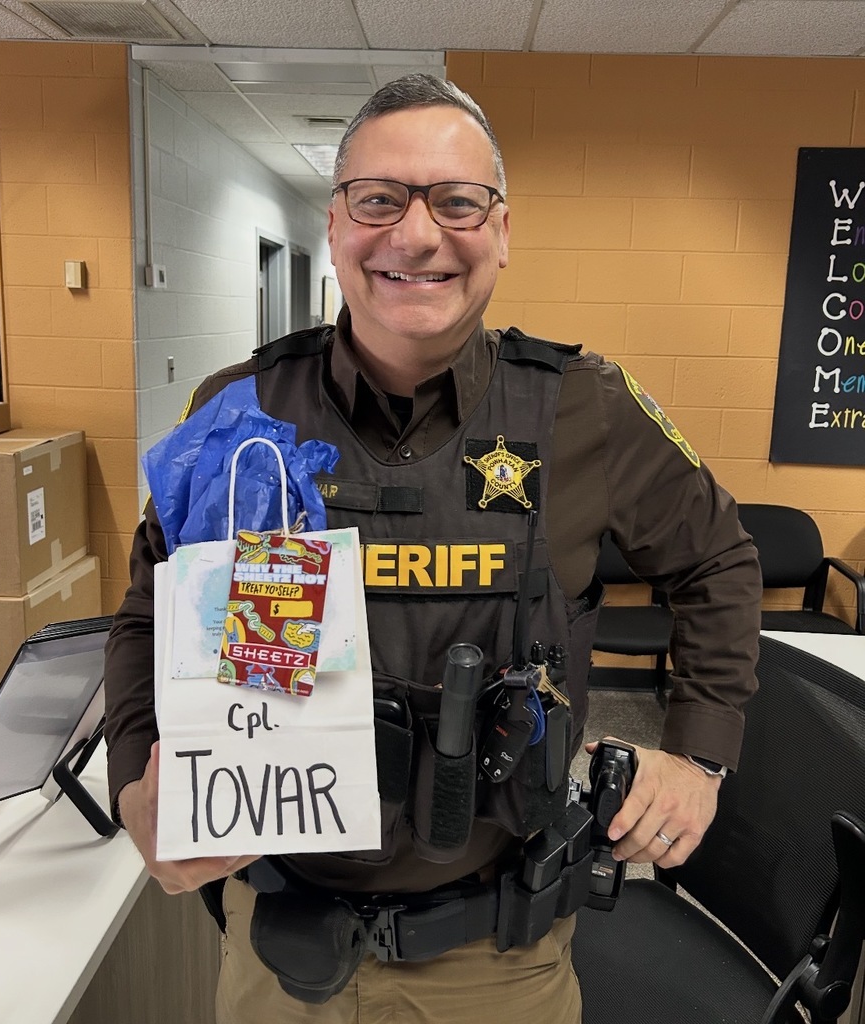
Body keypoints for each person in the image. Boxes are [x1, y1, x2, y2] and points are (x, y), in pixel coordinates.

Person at [104, 74, 762, 1024]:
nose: (417, 236)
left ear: (501, 232)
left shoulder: (583, 408)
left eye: (458, 202)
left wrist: (696, 758)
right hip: (279, 949)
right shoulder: (235, 412)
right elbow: (145, 609)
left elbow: (718, 561)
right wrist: (135, 786)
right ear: (335, 226)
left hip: (501, 960)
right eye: (380, 200)